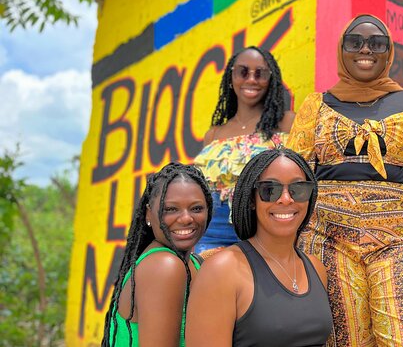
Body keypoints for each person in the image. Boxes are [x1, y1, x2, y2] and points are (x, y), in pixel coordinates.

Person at [287, 14, 403, 346]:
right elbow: (295, 175)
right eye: (355, 42)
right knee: (344, 339)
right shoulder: (315, 107)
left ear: (389, 51)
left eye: (377, 43)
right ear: (342, 50)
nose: (366, 49)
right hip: (327, 238)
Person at [185, 147, 333, 346]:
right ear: (252, 199)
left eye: (298, 189)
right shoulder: (223, 270)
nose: (286, 198)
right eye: (270, 190)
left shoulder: (316, 269)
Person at [194, 45, 294, 254]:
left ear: (271, 80)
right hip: (213, 231)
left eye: (260, 73)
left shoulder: (286, 123)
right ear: (231, 78)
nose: (251, 79)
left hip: (262, 228)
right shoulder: (213, 135)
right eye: (242, 72)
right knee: (209, 284)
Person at [101, 162, 213, 347]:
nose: (186, 218)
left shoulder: (194, 263)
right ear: (148, 214)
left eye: (196, 208)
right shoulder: (164, 266)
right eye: (170, 209)